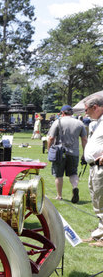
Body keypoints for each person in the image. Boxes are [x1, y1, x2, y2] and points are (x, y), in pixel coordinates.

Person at [47, 105, 87, 203]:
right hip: (74, 153)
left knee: (58, 174)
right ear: (72, 113)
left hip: (59, 153)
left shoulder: (57, 122)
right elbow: (84, 139)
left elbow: (51, 138)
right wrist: (84, 153)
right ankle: (75, 187)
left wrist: (49, 150)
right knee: (73, 173)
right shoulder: (79, 123)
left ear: (62, 113)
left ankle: (59, 196)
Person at [82, 94, 103, 246]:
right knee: (97, 202)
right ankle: (99, 234)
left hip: (100, 167)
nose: (85, 113)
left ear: (95, 107)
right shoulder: (98, 122)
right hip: (94, 168)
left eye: (86, 109)